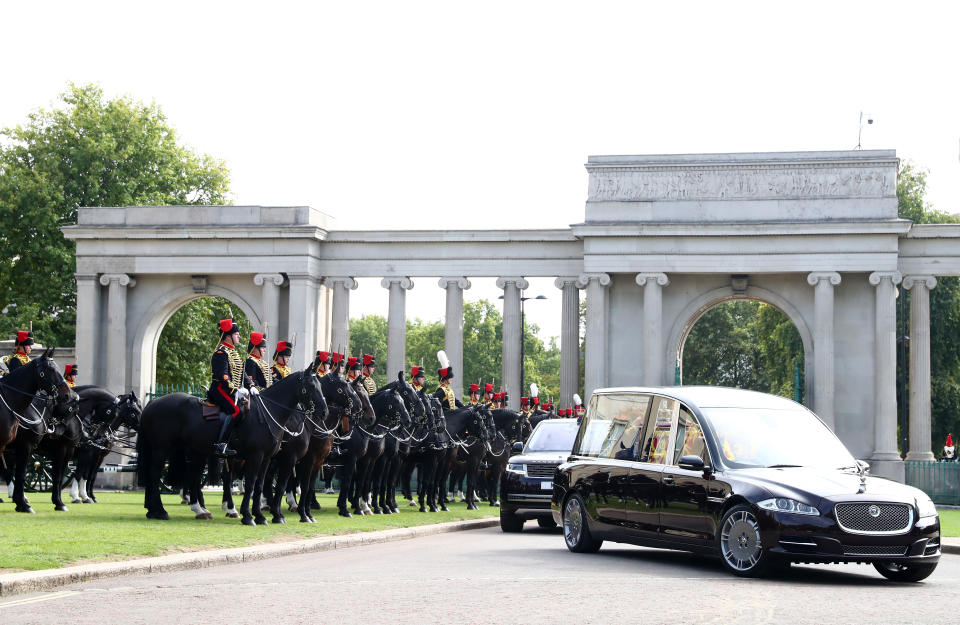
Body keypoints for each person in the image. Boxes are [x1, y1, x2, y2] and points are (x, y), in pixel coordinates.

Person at [207, 319, 248, 457]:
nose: (239, 337)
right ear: (228, 336)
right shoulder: (221, 353)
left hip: (231, 391)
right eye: (237, 334)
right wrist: (235, 390)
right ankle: (221, 444)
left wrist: (251, 386)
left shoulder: (234, 353)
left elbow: (242, 374)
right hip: (220, 389)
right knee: (236, 410)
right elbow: (223, 376)